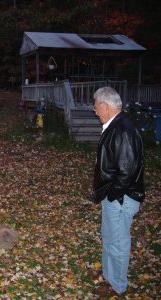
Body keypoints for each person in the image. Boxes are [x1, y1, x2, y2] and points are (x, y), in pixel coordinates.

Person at [91, 87, 145, 296]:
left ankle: (118, 286)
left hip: (121, 198)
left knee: (118, 243)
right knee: (109, 237)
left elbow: (127, 171)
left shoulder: (123, 130)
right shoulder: (115, 126)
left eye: (96, 107)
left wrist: (113, 194)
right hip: (112, 196)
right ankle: (108, 276)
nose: (95, 111)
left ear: (105, 105)